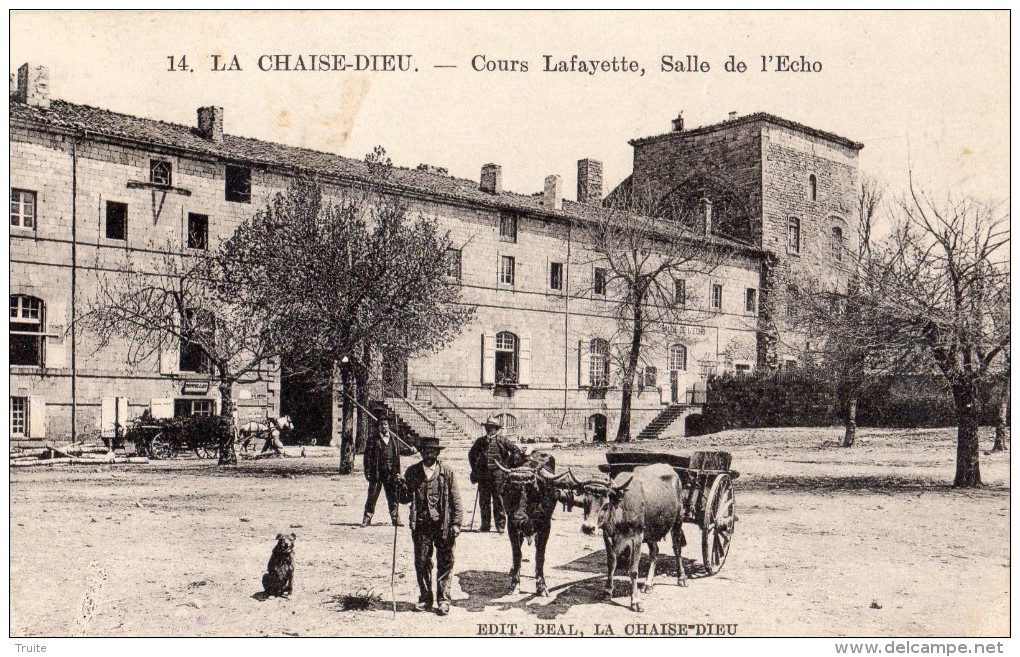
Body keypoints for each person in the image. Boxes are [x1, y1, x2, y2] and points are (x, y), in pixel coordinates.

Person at [395, 435, 463, 615]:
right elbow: (404, 499)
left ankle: (443, 600)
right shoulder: (412, 472)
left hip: (443, 525)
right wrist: (400, 486)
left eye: (432, 451)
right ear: (421, 452)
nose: (428, 454)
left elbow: (456, 500)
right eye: (425, 451)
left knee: (445, 561)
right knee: (422, 562)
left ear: (437, 453)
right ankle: (426, 598)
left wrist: (456, 523)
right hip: (421, 525)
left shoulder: (447, 473)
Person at [467, 414, 525, 533]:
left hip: (498, 475)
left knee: (498, 500)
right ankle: (485, 525)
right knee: (484, 501)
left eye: (492, 427)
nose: (489, 429)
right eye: (488, 427)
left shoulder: (502, 440)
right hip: (483, 475)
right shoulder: (480, 441)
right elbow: (471, 455)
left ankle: (500, 525)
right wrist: (475, 469)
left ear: (496, 429)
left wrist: (508, 465)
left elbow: (515, 450)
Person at [362, 412, 402, 527]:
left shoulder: (394, 440)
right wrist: (368, 472)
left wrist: (397, 472)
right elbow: (367, 458)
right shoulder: (373, 439)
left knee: (393, 496)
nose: (384, 427)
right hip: (377, 473)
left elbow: (397, 458)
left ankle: (395, 518)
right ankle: (367, 518)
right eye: (382, 424)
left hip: (391, 474)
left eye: (386, 424)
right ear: (378, 426)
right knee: (372, 496)